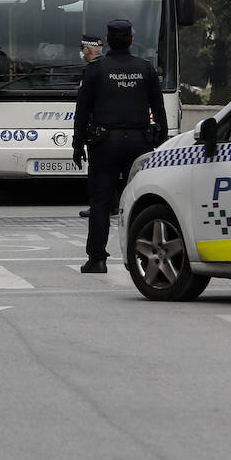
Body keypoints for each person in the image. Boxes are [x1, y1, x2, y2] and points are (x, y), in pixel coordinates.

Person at [72, 18, 167, 273]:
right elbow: (159, 109)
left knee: (101, 202)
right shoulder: (145, 69)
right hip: (139, 142)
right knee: (139, 199)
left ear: (108, 42)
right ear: (132, 41)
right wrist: (162, 140)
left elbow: (82, 111)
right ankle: (141, 256)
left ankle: (97, 259)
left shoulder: (95, 69)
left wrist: (77, 144)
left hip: (104, 144)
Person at [77, 33, 103, 218]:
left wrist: (77, 141)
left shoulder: (92, 70)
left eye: (82, 48)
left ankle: (98, 206)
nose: (81, 52)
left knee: (98, 172)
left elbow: (84, 106)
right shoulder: (108, 68)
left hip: (97, 128)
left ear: (87, 49)